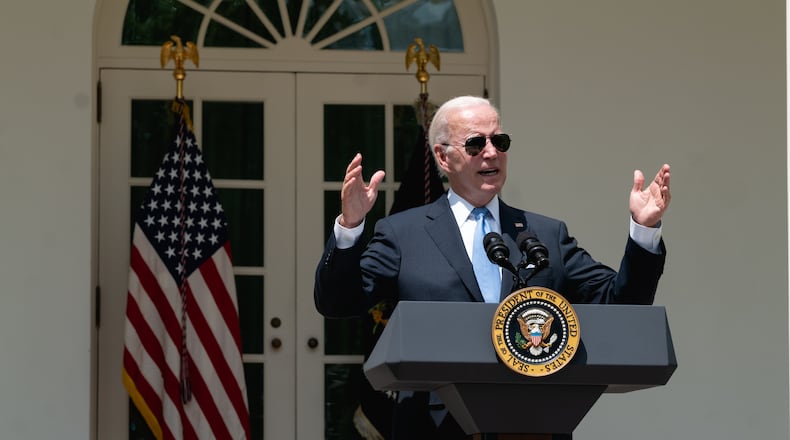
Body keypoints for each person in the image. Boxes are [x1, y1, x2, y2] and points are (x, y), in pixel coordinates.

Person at [314, 96, 671, 439]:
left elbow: (622, 303)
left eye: (499, 140)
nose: (491, 152)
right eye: (475, 143)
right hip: (433, 426)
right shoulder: (404, 233)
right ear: (442, 156)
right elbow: (338, 302)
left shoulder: (544, 234)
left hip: (534, 421)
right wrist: (350, 226)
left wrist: (643, 231)